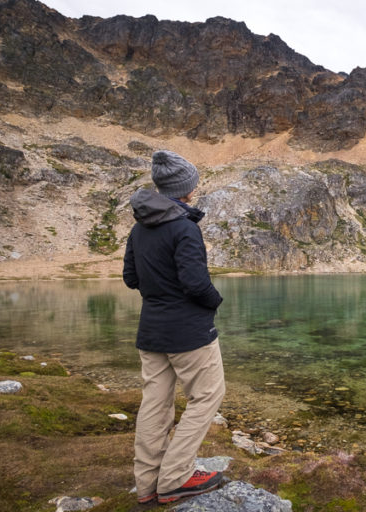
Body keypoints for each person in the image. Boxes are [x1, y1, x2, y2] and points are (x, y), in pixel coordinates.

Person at [122, 150, 225, 505]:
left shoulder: (139, 227)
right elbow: (196, 284)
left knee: (155, 404)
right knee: (207, 396)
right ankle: (176, 477)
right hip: (189, 333)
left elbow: (130, 278)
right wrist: (216, 301)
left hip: (151, 331)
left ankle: (147, 483)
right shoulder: (184, 228)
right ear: (187, 189)